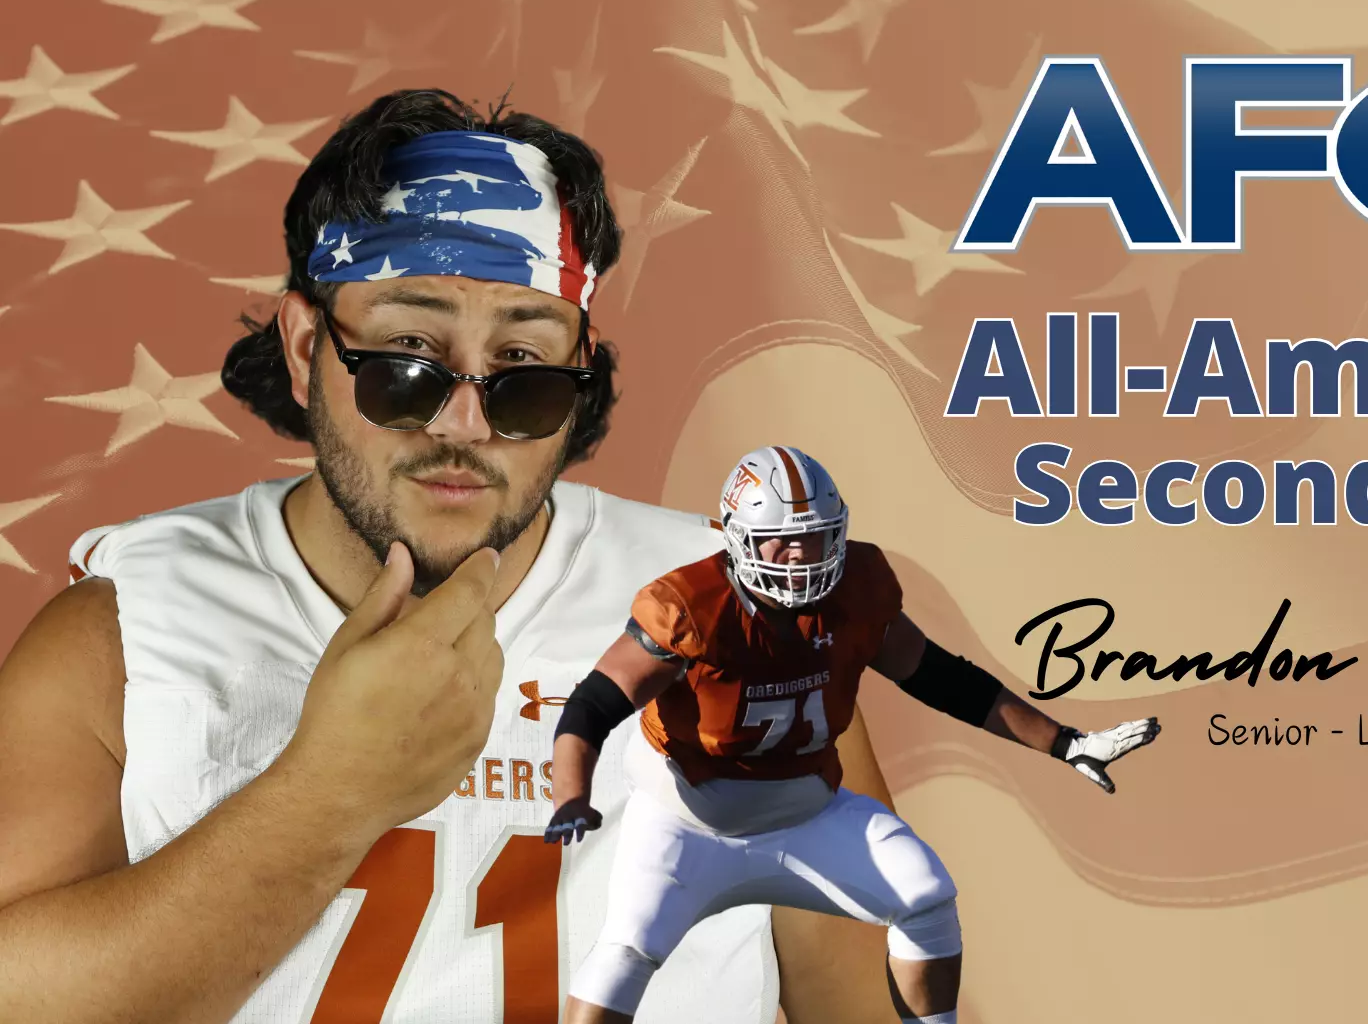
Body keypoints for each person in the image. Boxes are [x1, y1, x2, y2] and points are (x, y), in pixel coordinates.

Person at [0, 90, 893, 1023]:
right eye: (408, 359)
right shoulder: (126, 632)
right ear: (306, 348)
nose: (463, 426)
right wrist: (332, 790)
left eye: (523, 370)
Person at [544, 445, 1162, 1023]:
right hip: (688, 827)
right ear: (740, 539)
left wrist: (1065, 742)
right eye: (781, 543)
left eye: (813, 540)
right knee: (625, 953)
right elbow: (593, 706)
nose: (801, 558)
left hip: (807, 814)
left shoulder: (857, 588)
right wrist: (571, 794)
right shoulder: (691, 606)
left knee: (926, 896)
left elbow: (941, 678)